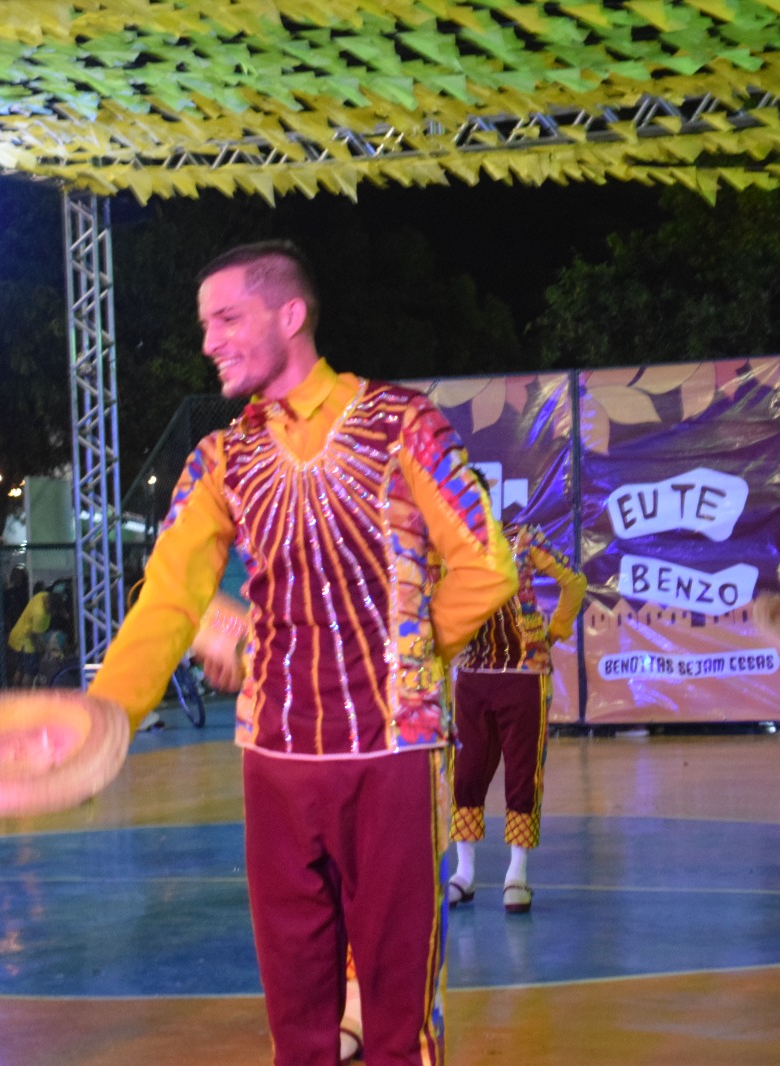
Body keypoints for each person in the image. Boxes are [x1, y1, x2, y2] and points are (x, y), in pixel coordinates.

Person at [87, 240, 516, 1065]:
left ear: (290, 315)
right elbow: (171, 595)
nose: (209, 341)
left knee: (393, 1015)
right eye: (205, 324)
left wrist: (412, 652)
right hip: (278, 759)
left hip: (389, 755)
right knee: (299, 1017)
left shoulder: (402, 424)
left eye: (226, 319)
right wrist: (105, 715)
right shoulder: (223, 457)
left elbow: (486, 567)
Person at [447, 516, 585, 914]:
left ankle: (517, 874)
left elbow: (575, 581)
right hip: (473, 676)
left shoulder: (524, 539)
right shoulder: (448, 546)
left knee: (522, 773)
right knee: (465, 773)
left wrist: (554, 632)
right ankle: (464, 873)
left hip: (523, 676)